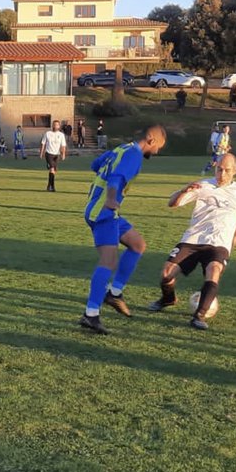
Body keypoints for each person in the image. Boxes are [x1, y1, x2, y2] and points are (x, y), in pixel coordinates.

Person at [80, 124, 167, 334]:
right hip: (104, 212)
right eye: (159, 147)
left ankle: (115, 292)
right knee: (108, 261)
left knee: (137, 245)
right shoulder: (134, 155)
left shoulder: (121, 149)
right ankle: (91, 315)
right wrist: (111, 198)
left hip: (105, 211)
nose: (157, 152)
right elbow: (116, 178)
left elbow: (95, 164)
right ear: (151, 140)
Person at [148, 152, 236, 330]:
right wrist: (183, 191)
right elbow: (172, 203)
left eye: (226, 170)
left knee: (214, 271)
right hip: (193, 239)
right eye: (219, 169)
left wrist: (233, 240)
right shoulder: (202, 185)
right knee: (166, 274)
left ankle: (199, 316)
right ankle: (168, 299)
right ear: (215, 167)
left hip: (219, 243)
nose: (222, 174)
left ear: (235, 171)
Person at [40, 120, 67, 191]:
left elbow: (63, 145)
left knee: (53, 171)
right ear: (52, 125)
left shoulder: (61, 135)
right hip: (49, 154)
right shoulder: (48, 133)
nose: (55, 126)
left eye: (57, 125)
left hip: (56, 155)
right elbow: (43, 143)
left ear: (59, 126)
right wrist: (41, 153)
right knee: (52, 169)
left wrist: (63, 154)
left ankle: (49, 186)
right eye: (54, 125)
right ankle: (53, 187)